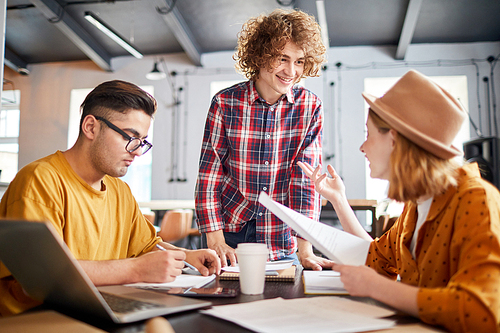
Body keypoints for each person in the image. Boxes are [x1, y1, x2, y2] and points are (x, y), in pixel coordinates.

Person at [298, 70, 500, 332]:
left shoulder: (477, 200)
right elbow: (375, 258)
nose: (363, 147)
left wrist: (377, 287)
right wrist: (338, 199)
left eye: (368, 134)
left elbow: (481, 310)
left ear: (393, 140)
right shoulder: (417, 204)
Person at [0, 80, 221, 316]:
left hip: (95, 308)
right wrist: (135, 270)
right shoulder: (41, 180)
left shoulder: (120, 191)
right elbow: (43, 276)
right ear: (91, 127)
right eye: (130, 136)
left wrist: (186, 257)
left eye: (142, 141)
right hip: (40, 317)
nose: (137, 151)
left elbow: (147, 247)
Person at [195, 9, 333, 269]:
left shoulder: (310, 106)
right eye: (282, 58)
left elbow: (304, 181)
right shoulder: (225, 103)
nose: (291, 71)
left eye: (300, 61)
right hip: (229, 233)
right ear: (260, 55)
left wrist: (305, 248)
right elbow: (210, 174)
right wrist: (215, 240)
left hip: (282, 237)